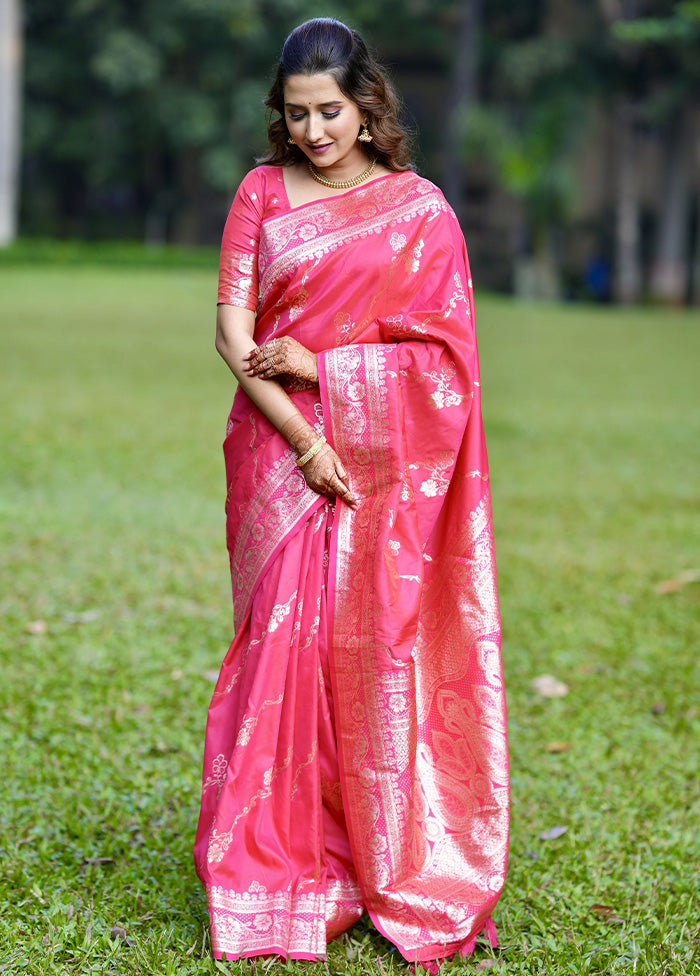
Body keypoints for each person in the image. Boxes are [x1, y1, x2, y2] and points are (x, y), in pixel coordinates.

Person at [193, 17, 509, 968]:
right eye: (295, 116)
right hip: (278, 455)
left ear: (368, 106)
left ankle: (375, 855)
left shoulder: (420, 212)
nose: (313, 133)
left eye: (329, 111)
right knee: (277, 656)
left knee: (366, 651)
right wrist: (304, 440)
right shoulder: (259, 193)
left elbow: (447, 365)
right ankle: (276, 869)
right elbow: (232, 339)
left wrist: (325, 367)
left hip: (380, 460)